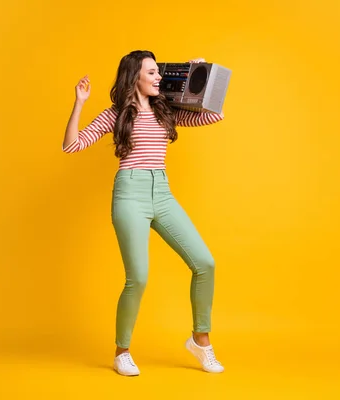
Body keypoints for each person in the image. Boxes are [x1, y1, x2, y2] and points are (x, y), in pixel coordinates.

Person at [62, 50, 225, 376]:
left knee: (205, 263)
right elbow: (72, 145)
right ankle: (122, 352)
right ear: (134, 76)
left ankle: (200, 341)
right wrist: (79, 102)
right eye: (151, 73)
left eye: (158, 73)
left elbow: (212, 115)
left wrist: (200, 75)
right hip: (130, 195)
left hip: (161, 192)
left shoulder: (167, 111)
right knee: (137, 277)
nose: (158, 78)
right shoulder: (116, 114)